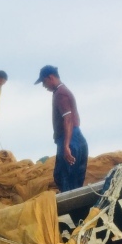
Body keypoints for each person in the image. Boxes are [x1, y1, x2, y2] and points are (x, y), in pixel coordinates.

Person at [35, 64, 89, 192]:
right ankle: (80, 210)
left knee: (64, 178)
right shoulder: (63, 91)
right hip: (76, 137)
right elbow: (76, 118)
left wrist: (66, 145)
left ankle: (77, 210)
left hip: (69, 138)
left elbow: (68, 119)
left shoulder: (60, 93)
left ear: (51, 77)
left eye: (44, 82)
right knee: (72, 180)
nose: (44, 86)